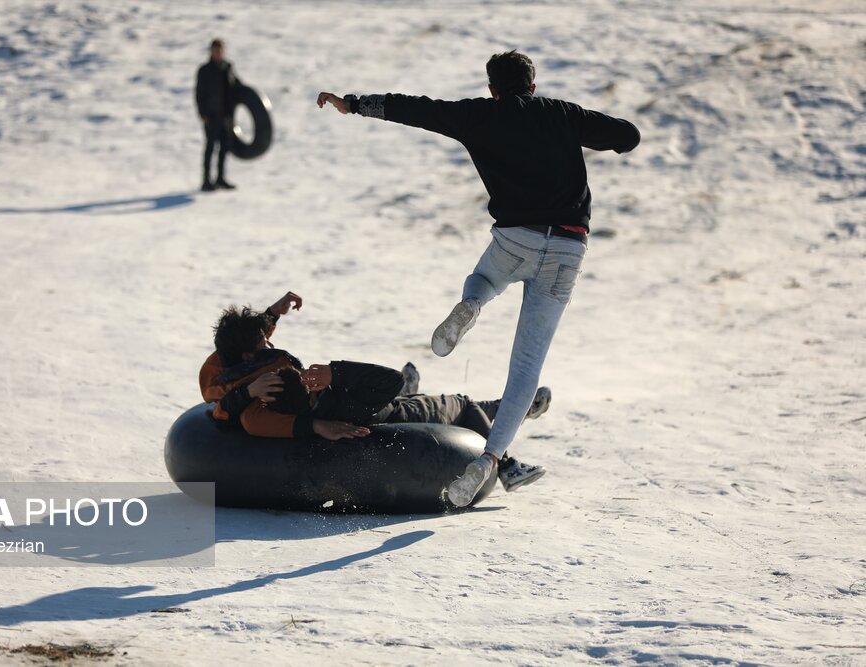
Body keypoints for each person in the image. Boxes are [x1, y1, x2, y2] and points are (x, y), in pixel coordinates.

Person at [316, 50, 641, 506]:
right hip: (567, 248)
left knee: (485, 277)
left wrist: (354, 103)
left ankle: (473, 303)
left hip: (514, 241)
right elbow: (628, 136)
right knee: (526, 369)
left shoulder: (478, 115)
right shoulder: (562, 113)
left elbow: (418, 109)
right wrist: (591, 131)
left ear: (493, 88)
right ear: (533, 84)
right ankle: (489, 460)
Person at [200, 300, 551, 493]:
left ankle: (519, 407)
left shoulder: (226, 370)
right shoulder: (259, 395)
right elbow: (231, 413)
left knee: (422, 401)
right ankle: (505, 464)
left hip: (368, 405)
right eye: (264, 344)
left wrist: (272, 315)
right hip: (373, 410)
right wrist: (329, 388)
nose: (271, 347)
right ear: (250, 358)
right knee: (461, 404)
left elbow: (237, 365)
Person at [195, 38, 241, 192]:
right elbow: (199, 93)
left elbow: (236, 85)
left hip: (226, 116)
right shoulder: (204, 70)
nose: (218, 53)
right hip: (211, 115)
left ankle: (220, 178)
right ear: (211, 51)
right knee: (210, 148)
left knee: (224, 148)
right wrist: (203, 113)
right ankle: (206, 180)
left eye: (221, 50)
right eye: (216, 50)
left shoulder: (228, 67)